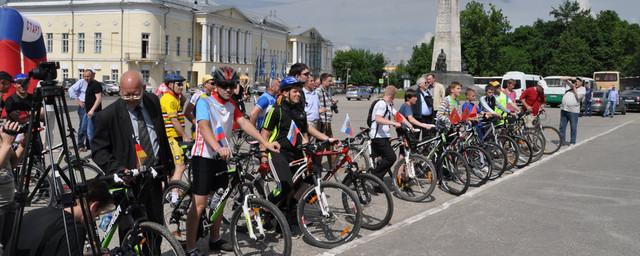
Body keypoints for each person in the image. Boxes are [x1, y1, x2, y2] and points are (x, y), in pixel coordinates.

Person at [185, 67, 279, 255]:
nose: (228, 89)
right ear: (216, 86)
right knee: (200, 204)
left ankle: (215, 239)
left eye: (231, 85)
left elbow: (244, 124)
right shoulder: (205, 102)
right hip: (204, 156)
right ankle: (190, 247)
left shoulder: (231, 105)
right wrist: (218, 147)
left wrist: (265, 143)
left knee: (221, 198)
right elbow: (203, 127)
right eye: (224, 85)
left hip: (221, 157)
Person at [91, 70, 174, 239]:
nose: (130, 99)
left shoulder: (153, 101)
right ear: (120, 89)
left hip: (153, 174)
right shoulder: (107, 116)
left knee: (156, 227)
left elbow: (161, 135)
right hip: (129, 180)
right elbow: (99, 151)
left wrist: (169, 164)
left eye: (135, 95)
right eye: (125, 95)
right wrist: (118, 169)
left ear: (144, 88)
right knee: (131, 231)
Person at [260, 76, 336, 211]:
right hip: (278, 153)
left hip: (296, 153)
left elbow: (307, 128)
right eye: (295, 91)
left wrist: (327, 139)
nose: (298, 94)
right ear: (284, 92)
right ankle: (264, 208)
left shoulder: (299, 110)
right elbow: (264, 135)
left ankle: (285, 216)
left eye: (299, 91)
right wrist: (263, 157)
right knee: (285, 186)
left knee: (300, 185)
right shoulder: (275, 110)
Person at [16, 179, 113, 256]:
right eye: (97, 215)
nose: (94, 219)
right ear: (94, 206)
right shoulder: (73, 230)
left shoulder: (35, 213)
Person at [369, 86, 413, 181]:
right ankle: (373, 176)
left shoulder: (388, 105)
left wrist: (409, 125)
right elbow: (378, 119)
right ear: (391, 96)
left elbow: (398, 115)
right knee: (391, 157)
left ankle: (377, 182)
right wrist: (394, 123)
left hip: (384, 136)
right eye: (394, 96)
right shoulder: (382, 104)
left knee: (382, 160)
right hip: (378, 137)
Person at [160, 73, 191, 198]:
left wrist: (180, 95)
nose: (181, 86)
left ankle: (169, 191)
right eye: (178, 84)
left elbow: (186, 103)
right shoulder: (169, 99)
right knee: (180, 165)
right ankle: (174, 195)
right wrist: (184, 135)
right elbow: (174, 120)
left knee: (172, 169)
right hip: (172, 137)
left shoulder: (174, 97)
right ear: (170, 85)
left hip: (173, 136)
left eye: (182, 84)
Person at [0, 121, 19, 250]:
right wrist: (6, 144)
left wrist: (24, 144)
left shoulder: (1, 139)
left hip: (9, 201)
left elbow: (13, 163)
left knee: (8, 245)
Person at [68, 70, 91, 151]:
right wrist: (78, 101)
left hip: (91, 106)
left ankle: (89, 145)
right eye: (84, 76)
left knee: (90, 126)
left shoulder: (93, 83)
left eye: (88, 76)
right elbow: (71, 90)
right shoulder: (81, 82)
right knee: (83, 126)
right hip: (83, 106)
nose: (86, 78)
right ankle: (80, 145)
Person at [559, 77, 586, 146]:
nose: (576, 83)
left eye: (578, 82)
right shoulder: (570, 85)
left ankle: (572, 142)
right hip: (564, 109)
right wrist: (570, 78)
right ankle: (562, 141)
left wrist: (574, 88)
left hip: (573, 111)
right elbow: (562, 78)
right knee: (562, 127)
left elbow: (578, 97)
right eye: (576, 81)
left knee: (573, 127)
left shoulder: (583, 89)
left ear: (581, 83)